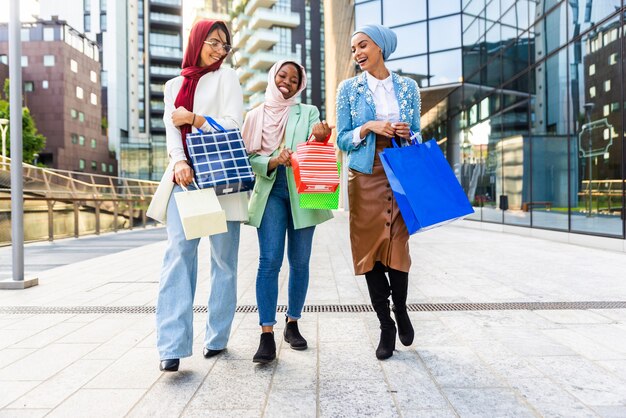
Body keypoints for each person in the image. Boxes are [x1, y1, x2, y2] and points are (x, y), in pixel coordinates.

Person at [153, 19, 246, 372]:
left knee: (223, 261)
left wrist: (194, 118)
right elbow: (171, 129)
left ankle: (217, 337)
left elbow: (234, 124)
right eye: (214, 41)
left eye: (225, 45)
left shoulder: (227, 77)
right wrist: (178, 162)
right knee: (179, 255)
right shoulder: (174, 84)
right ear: (197, 40)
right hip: (187, 180)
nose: (219, 50)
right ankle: (172, 345)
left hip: (223, 180)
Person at [335, 24, 421, 360]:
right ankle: (385, 325)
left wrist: (405, 132)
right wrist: (370, 126)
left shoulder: (408, 88)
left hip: (400, 168)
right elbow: (342, 138)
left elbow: (416, 131)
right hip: (364, 171)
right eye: (354, 49)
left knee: (399, 243)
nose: (357, 53)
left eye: (363, 46)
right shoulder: (348, 89)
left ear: (380, 47)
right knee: (370, 247)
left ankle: (400, 309)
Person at [242, 60, 333, 364]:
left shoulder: (307, 112)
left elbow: (312, 142)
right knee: (269, 261)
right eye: (283, 75)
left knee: (301, 261)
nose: (288, 82)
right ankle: (266, 333)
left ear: (300, 85)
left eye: (294, 79)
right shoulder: (255, 115)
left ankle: (292, 323)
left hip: (303, 189)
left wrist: (320, 137)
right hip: (269, 190)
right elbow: (248, 158)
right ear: (273, 76)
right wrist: (271, 160)